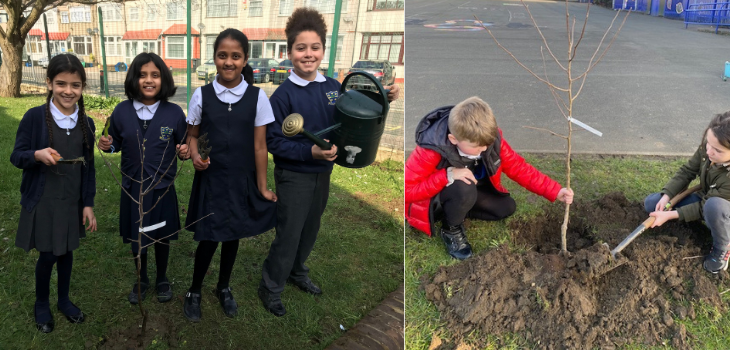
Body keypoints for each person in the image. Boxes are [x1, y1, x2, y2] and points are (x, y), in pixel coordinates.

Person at [260, 7, 401, 317]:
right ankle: (271, 285)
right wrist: (308, 153)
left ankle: (297, 272)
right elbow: (273, 141)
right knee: (290, 231)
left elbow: (355, 107)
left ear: (323, 49)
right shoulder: (283, 96)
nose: (308, 54)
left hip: (322, 175)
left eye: (315, 47)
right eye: (301, 48)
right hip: (294, 175)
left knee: (310, 228)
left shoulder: (333, 89)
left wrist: (383, 98)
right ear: (290, 52)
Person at [183, 28, 277, 322]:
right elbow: (192, 136)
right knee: (209, 238)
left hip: (240, 180)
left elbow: (260, 146)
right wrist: (195, 156)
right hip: (211, 180)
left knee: (233, 235)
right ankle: (195, 290)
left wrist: (262, 187)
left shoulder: (257, 97)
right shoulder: (202, 95)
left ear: (245, 59)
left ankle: (223, 287)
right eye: (222, 55)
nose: (228, 62)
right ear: (214, 58)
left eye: (235, 56)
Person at [405, 96, 574, 260]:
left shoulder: (487, 141)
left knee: (506, 207)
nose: (485, 149)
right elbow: (407, 192)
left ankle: (459, 209)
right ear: (453, 139)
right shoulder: (430, 150)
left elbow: (518, 167)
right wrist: (447, 175)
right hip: (436, 200)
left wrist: (555, 190)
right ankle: (451, 229)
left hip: (467, 193)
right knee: (463, 187)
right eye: (477, 147)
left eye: (487, 144)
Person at [10, 54, 98, 333]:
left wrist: (88, 204)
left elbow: (89, 169)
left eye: (75, 85)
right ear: (49, 83)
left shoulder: (87, 123)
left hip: (71, 200)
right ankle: (41, 304)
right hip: (45, 200)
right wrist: (36, 154)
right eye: (61, 84)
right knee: (48, 255)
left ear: (83, 86)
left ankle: (63, 300)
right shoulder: (35, 117)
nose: (68, 91)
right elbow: (16, 155)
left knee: (67, 252)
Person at [97, 52, 188, 305]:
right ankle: (142, 278)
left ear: (164, 79)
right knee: (138, 235)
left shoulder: (173, 113)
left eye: (155, 75)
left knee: (161, 234)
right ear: (133, 79)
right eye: (142, 75)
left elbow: (183, 148)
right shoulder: (122, 111)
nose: (149, 80)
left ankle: (161, 278)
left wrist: (185, 152)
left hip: (161, 187)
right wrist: (108, 145)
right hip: (132, 187)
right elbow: (114, 143)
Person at [644, 111, 730, 274]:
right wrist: (667, 196)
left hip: (721, 207)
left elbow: (703, 206)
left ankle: (722, 247)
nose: (710, 151)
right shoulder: (709, 148)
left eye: (717, 150)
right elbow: (687, 171)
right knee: (652, 203)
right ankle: (706, 221)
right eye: (708, 144)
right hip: (707, 198)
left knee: (713, 207)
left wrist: (670, 215)